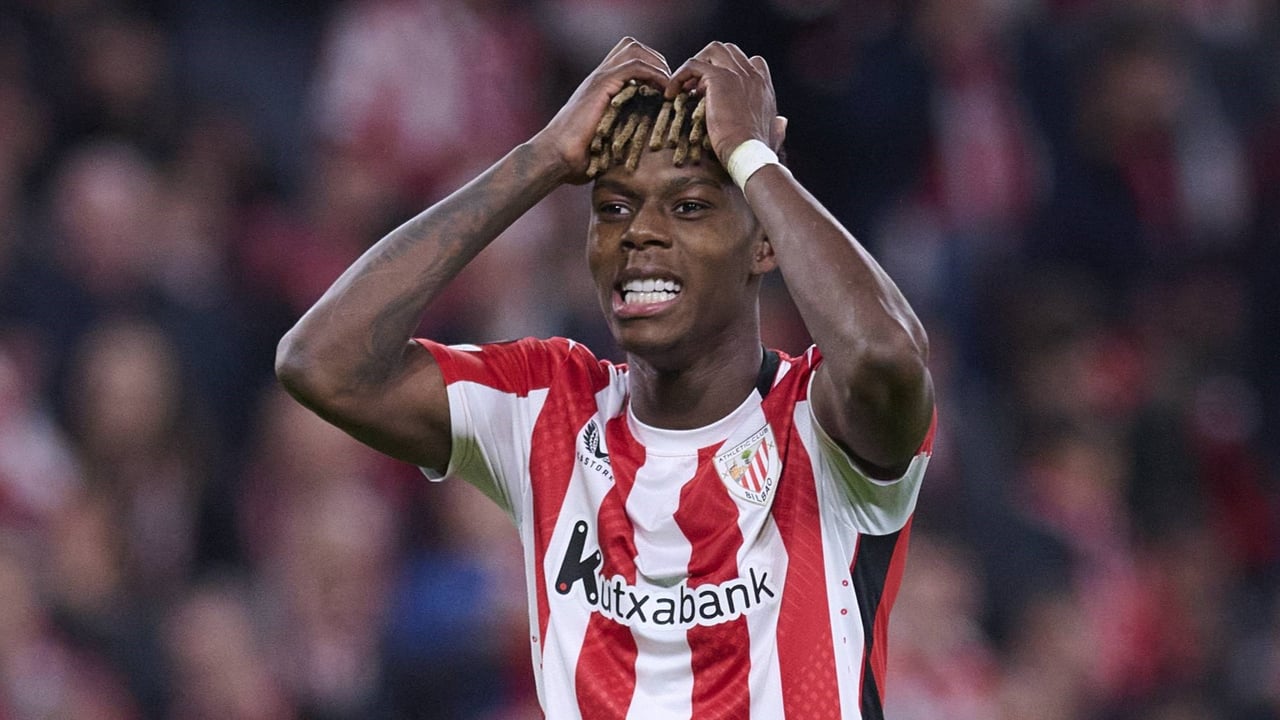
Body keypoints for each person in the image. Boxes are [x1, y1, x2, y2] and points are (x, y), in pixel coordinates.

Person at [276, 37, 936, 719]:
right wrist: (543, 157)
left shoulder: (821, 424)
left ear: (764, 241)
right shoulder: (546, 407)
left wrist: (750, 157)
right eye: (614, 208)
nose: (639, 233)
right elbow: (322, 362)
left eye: (689, 207)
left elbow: (888, 358)